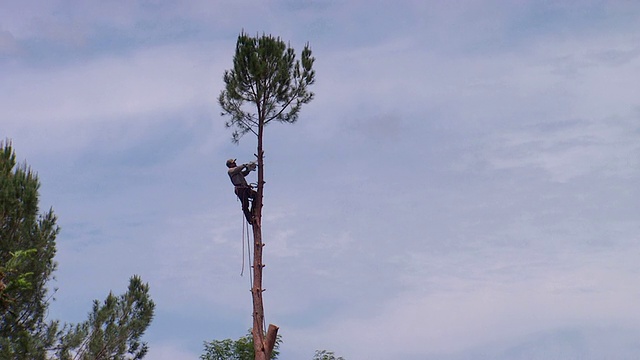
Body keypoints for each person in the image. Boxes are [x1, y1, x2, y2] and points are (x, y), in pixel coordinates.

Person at [226, 158, 257, 224]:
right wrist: (245, 165)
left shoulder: (237, 172)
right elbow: (237, 169)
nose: (235, 163)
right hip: (240, 190)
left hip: (245, 188)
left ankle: (253, 213)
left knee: (256, 195)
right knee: (245, 205)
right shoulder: (231, 171)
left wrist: (248, 169)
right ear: (230, 165)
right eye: (233, 163)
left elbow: (243, 173)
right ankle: (250, 219)